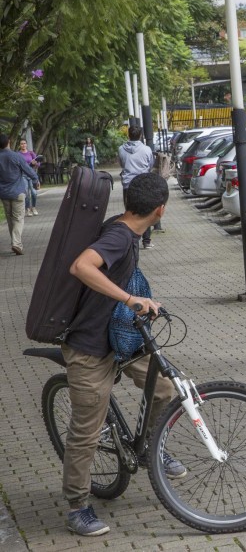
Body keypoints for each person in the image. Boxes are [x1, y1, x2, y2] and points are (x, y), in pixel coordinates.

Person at [61, 173, 185, 537]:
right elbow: (81, 266)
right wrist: (130, 299)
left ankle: (147, 449)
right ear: (160, 210)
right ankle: (77, 506)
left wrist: (143, 301)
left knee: (164, 388)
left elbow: (125, 279)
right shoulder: (118, 235)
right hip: (90, 346)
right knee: (87, 429)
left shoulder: (123, 228)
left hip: (122, 335)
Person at [0, 134, 39, 255]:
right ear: (9, 142)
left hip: (4, 193)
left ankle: (15, 242)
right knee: (18, 219)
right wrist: (35, 180)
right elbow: (28, 170)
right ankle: (16, 244)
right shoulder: (16, 156)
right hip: (18, 192)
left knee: (10, 219)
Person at [118, 126, 155, 248]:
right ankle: (147, 241)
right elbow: (150, 165)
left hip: (128, 184)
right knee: (146, 211)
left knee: (130, 213)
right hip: (143, 183)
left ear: (128, 135)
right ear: (141, 135)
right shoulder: (146, 149)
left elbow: (122, 164)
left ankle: (132, 240)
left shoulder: (121, 149)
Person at [17, 139, 39, 217]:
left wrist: (35, 163)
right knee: (26, 192)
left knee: (33, 193)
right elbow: (17, 165)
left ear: (26, 144)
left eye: (24, 143)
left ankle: (33, 207)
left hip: (32, 175)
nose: (23, 145)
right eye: (21, 143)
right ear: (20, 145)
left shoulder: (31, 153)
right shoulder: (18, 154)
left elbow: (38, 163)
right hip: (23, 175)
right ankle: (28, 209)